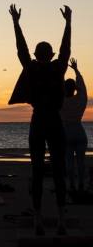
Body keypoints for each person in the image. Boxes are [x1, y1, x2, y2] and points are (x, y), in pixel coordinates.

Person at [8, 4, 71, 236]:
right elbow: (66, 49)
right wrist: (68, 23)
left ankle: (38, 219)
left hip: (39, 122)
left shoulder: (32, 67)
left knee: (36, 171)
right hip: (55, 122)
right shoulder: (58, 68)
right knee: (59, 170)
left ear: (36, 55)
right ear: (51, 55)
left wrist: (16, 23)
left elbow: (20, 49)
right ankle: (62, 217)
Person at [60, 58, 88, 193]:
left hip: (66, 132)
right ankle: (81, 184)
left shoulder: (61, 102)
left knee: (69, 162)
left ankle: (71, 185)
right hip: (79, 130)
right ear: (74, 89)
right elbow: (82, 88)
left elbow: (57, 87)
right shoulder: (80, 100)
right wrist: (76, 70)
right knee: (81, 162)